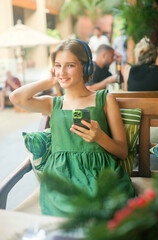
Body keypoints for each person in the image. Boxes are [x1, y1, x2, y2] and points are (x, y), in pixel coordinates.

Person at [10, 39, 136, 217]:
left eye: (70, 65)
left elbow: (122, 152)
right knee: (74, 216)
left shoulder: (105, 99)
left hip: (101, 176)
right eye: (58, 65)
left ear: (86, 68)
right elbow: (16, 98)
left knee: (102, 213)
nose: (62, 72)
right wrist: (49, 81)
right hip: (62, 180)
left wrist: (100, 137)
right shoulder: (52, 103)